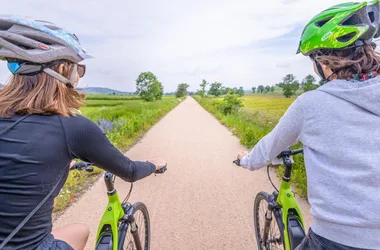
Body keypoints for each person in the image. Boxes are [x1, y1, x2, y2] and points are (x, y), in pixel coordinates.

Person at [0, 17, 167, 250]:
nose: (79, 75)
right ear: (60, 69)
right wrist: (154, 164)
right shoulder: (72, 126)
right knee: (80, 231)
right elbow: (129, 171)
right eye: (79, 68)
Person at [236, 1, 380, 250]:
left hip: (337, 239)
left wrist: (245, 160)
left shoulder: (311, 104)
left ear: (324, 61)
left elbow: (269, 148)